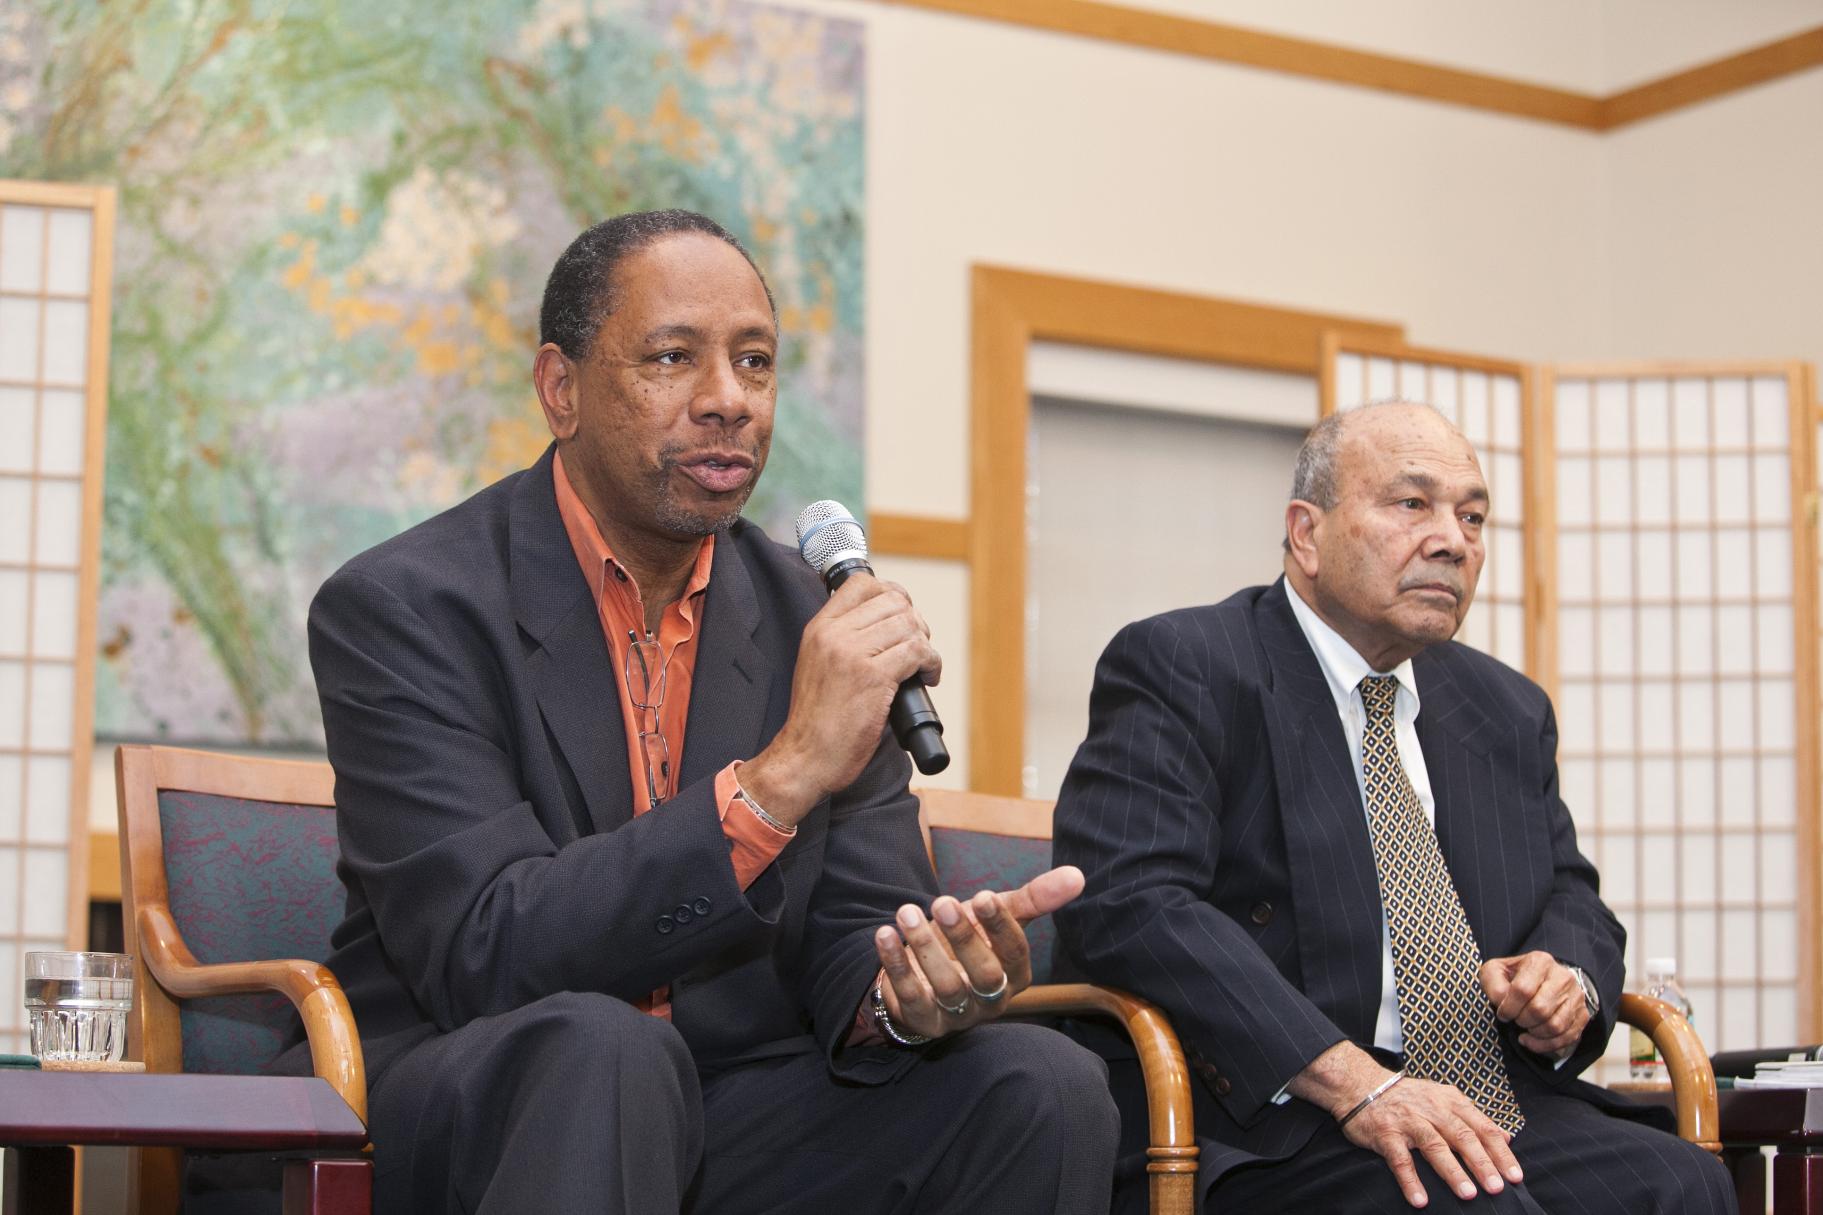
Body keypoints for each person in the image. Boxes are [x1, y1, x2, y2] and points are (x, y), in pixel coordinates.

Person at [305, 210, 1118, 1214]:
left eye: (755, 363)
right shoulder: (409, 606)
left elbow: (850, 936)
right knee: (609, 1051)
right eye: (672, 358)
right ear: (560, 389)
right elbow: (486, 949)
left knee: (1039, 1086)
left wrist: (907, 994)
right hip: (481, 1089)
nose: (727, 401)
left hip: (728, 1101)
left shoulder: (811, 621)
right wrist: (779, 777)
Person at [1052, 401, 1734, 1214]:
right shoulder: (1186, 663)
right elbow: (1130, 903)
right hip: (1269, 1116)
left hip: (1478, 1097)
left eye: (1472, 515)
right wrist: (1355, 1081)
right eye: (1412, 504)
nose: (1452, 539)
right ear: (1306, 533)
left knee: (1683, 1181)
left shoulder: (1503, 707)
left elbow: (1570, 893)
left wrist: (1567, 978)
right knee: (1463, 1203)